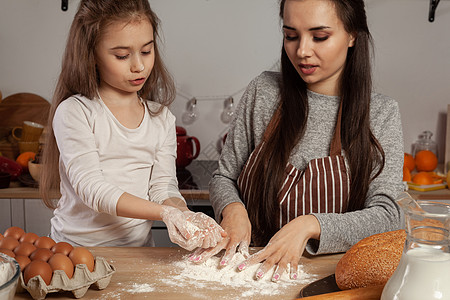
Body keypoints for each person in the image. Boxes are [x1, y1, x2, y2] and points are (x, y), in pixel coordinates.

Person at [191, 0, 404, 282]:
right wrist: (233, 209)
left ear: (352, 34)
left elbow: (389, 216)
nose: (302, 51)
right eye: (291, 35)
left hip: (328, 279)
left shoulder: (380, 114)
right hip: (247, 272)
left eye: (319, 37)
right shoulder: (263, 92)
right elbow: (224, 177)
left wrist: (310, 224)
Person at [40, 0, 225, 249]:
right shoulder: (76, 112)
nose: (139, 65)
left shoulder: (160, 118)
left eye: (146, 51)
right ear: (91, 54)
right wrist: (163, 213)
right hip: (74, 252)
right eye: (122, 55)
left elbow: (163, 187)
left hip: (137, 253)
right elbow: (92, 189)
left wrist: (181, 212)